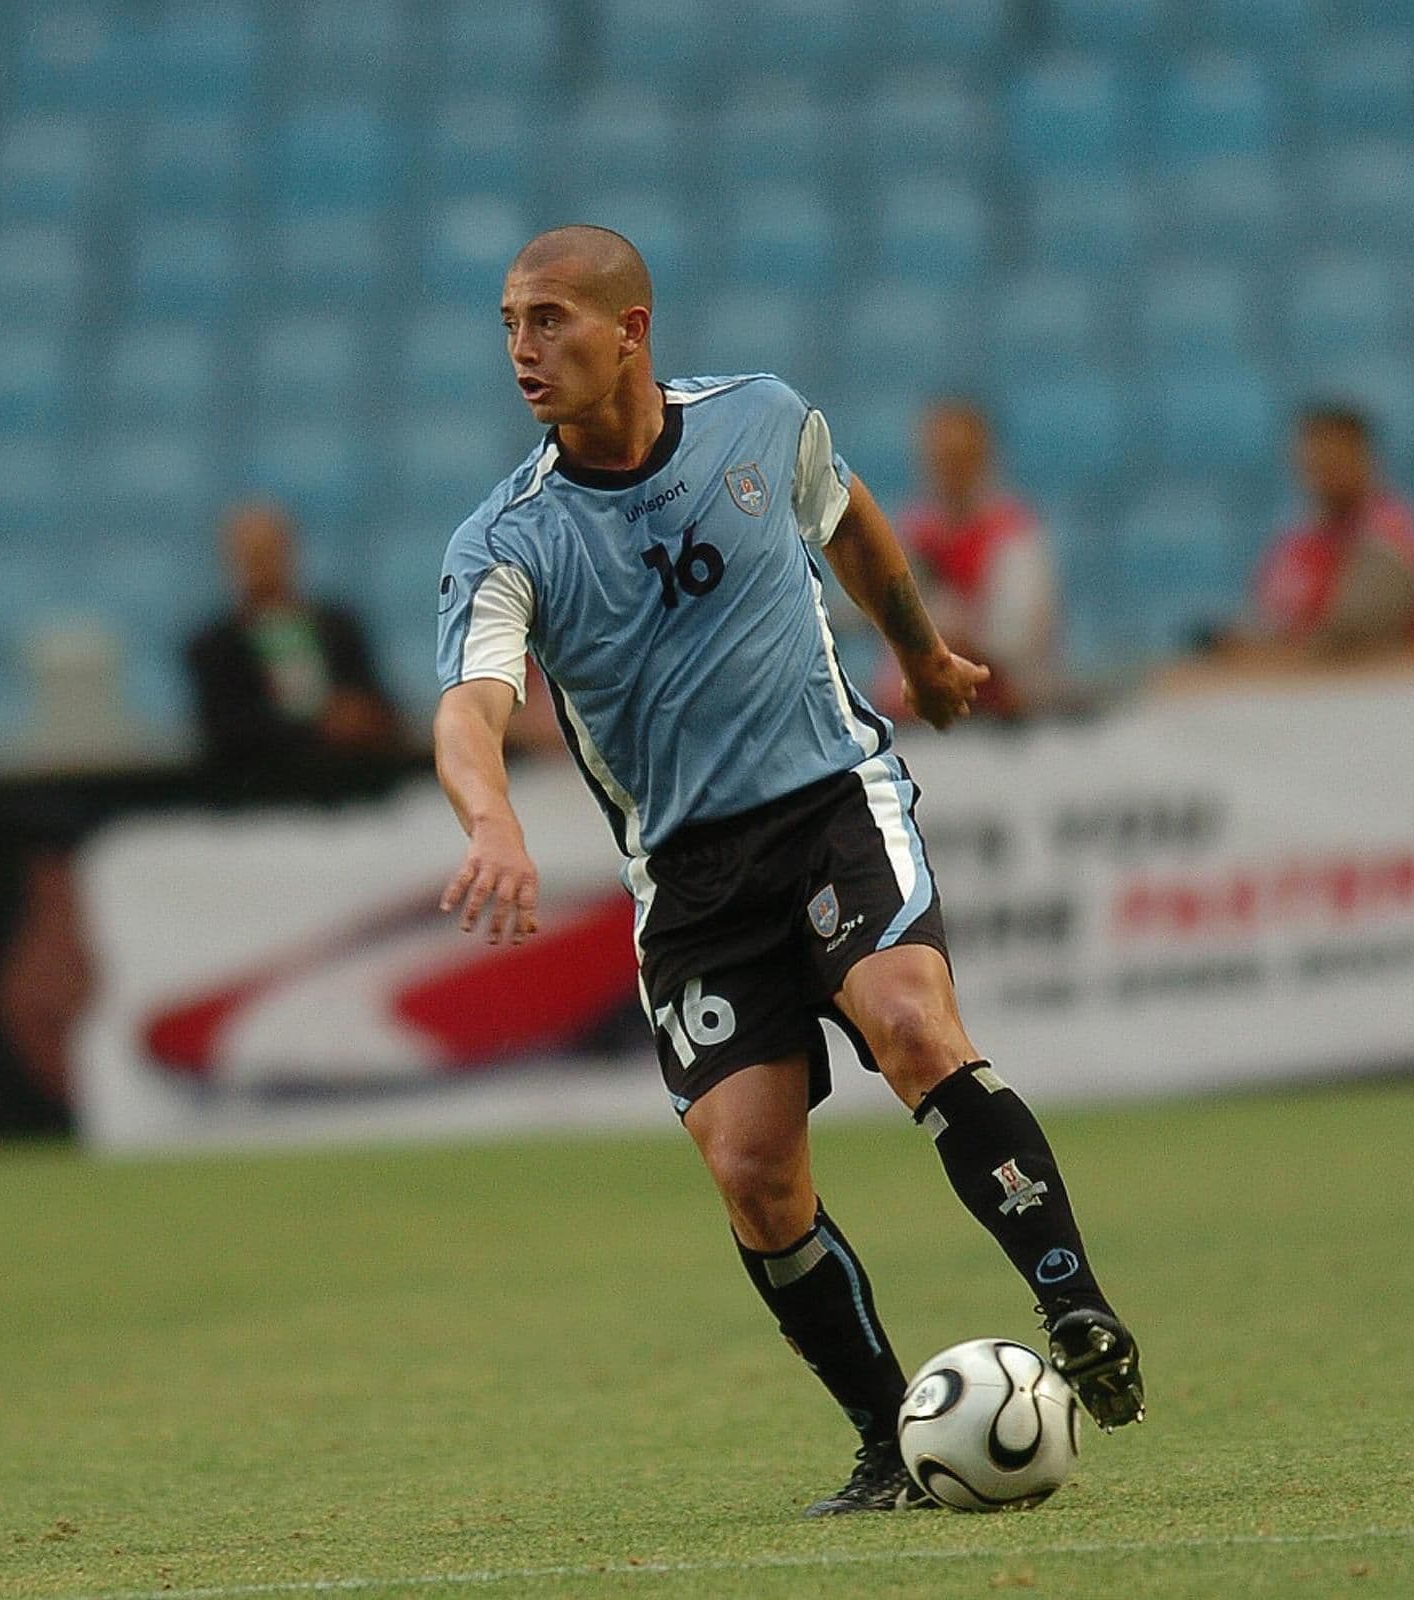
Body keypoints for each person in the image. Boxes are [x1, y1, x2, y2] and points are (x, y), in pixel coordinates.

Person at [432, 227, 1143, 1516]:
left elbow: (848, 517)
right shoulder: (506, 538)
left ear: (631, 330)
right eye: (508, 324)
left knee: (915, 1021)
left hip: (829, 803)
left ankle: (1074, 1301)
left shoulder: (759, 420)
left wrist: (920, 654)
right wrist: (490, 820)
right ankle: (894, 1441)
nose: (523, 349)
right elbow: (470, 707)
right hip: (690, 877)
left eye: (549, 320)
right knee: (754, 1171)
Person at [186, 500, 419, 785]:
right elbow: (224, 731)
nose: (262, 566)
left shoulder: (338, 629)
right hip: (261, 801)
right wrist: (321, 728)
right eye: (252, 556)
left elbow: (380, 703)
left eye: (270, 552)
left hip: (352, 795)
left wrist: (365, 719)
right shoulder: (214, 648)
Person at [872, 400, 1060, 719]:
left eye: (959, 458)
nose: (948, 469)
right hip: (915, 717)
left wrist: (950, 627)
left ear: (983, 458)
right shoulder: (910, 534)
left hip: (994, 717)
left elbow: (1018, 639)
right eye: (940, 457)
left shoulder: (1012, 536)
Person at [1249, 405, 1414, 658]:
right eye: (1315, 461)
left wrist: (1260, 655)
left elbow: (1351, 637)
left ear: (1365, 458)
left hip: (1373, 688)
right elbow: (1270, 620)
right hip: (1298, 685)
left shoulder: (1388, 538)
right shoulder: (1297, 543)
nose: (1323, 472)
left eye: (1334, 458)